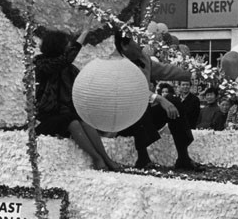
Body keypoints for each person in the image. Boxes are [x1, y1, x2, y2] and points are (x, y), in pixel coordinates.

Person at [35, 29, 119, 171]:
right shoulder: (41, 63)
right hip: (48, 117)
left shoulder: (70, 68)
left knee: (83, 121)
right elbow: (62, 61)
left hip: (67, 113)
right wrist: (83, 35)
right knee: (72, 121)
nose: (68, 47)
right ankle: (96, 158)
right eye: (66, 45)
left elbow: (81, 87)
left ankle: (105, 158)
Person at [115, 31, 201, 171]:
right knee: (139, 103)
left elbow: (166, 71)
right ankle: (143, 158)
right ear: (124, 46)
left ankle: (183, 157)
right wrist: (158, 98)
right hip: (122, 121)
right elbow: (132, 90)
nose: (141, 47)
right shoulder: (115, 64)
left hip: (145, 120)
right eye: (137, 43)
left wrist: (192, 74)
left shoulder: (144, 59)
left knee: (174, 100)